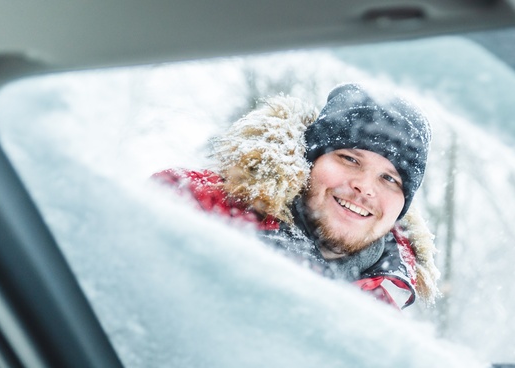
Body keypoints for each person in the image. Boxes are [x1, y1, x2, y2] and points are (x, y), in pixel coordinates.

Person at [155, 83, 439, 310]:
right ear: (308, 161)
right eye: (350, 159)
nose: (365, 187)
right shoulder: (190, 205)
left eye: (390, 179)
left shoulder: (386, 299)